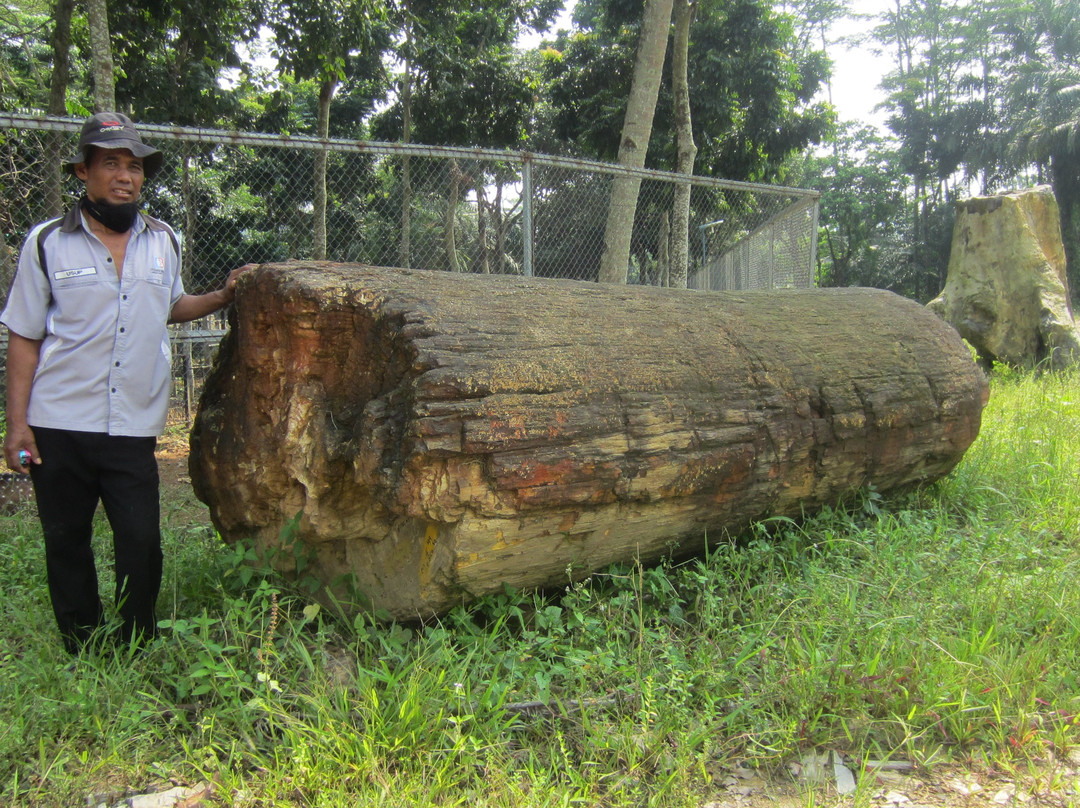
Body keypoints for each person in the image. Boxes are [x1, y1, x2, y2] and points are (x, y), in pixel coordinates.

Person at [1, 112, 255, 654]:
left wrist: (221, 296)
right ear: (83, 172)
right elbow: (24, 335)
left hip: (133, 424)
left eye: (134, 166)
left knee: (139, 540)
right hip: (58, 421)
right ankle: (81, 642)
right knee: (66, 539)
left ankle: (135, 638)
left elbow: (171, 305)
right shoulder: (47, 243)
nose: (125, 176)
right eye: (111, 163)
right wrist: (17, 425)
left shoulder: (164, 240)